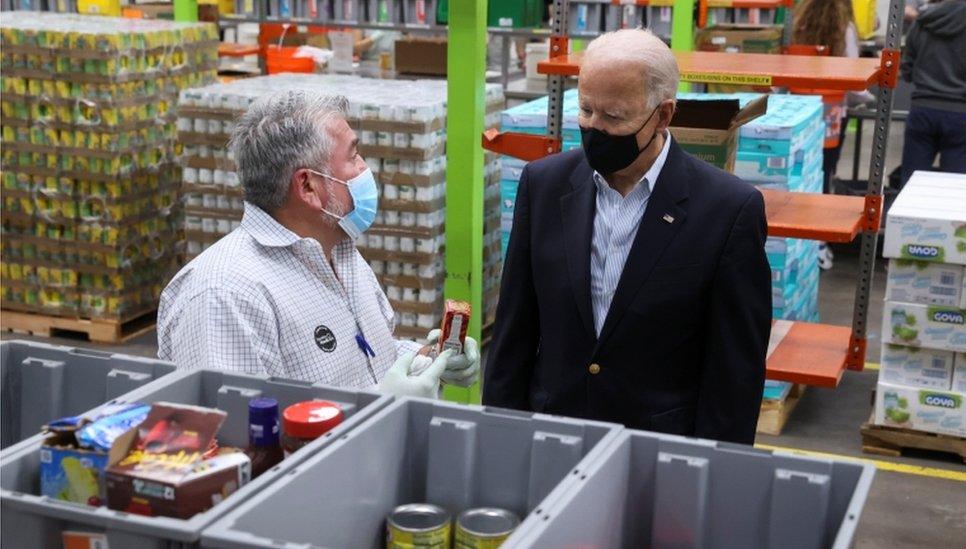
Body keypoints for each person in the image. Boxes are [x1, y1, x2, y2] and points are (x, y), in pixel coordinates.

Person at [482, 29, 772, 445]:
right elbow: (515, 331)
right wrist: (500, 436)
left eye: (614, 117)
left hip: (657, 449)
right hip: (553, 437)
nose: (594, 128)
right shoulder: (544, 186)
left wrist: (715, 473)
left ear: (663, 114)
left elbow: (734, 372)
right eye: (585, 110)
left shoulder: (727, 210)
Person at [157, 91, 479, 398]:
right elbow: (238, 441)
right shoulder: (224, 296)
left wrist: (429, 360)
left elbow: (372, 355)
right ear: (308, 186)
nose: (366, 169)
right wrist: (374, 406)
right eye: (353, 156)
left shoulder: (338, 251)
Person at [792, 0, 869, 270]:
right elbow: (852, 73)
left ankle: (801, 240)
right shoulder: (844, 28)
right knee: (825, 173)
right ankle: (820, 244)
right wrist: (870, 94)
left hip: (801, 108)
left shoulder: (799, 24)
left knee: (804, 175)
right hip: (833, 111)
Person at [900, 0, 966, 182]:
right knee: (955, 187)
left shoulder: (923, 21)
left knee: (911, 184)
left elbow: (907, 70)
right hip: (964, 115)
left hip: (922, 111)